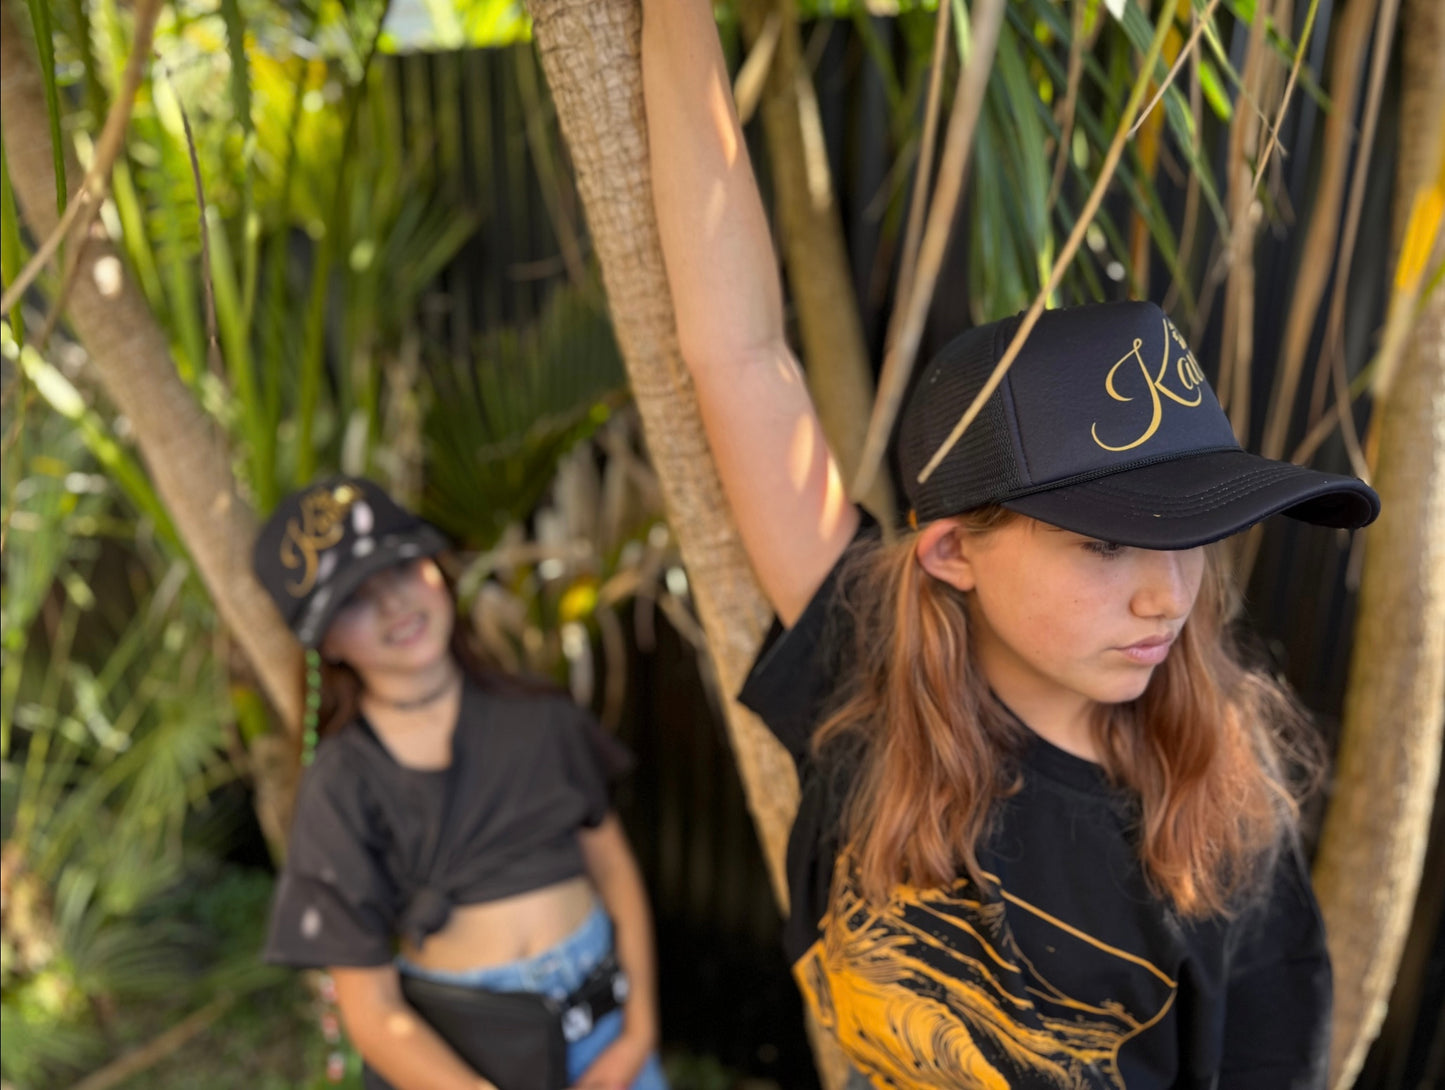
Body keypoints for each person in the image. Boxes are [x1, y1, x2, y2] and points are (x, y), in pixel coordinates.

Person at [640, 4, 1379, 1088]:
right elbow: (737, 354)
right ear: (950, 553)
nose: (1165, 600)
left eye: (1190, 538)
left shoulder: (1221, 815)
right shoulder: (864, 673)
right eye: (1102, 546)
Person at [254, 476, 668, 1090]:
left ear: (437, 570)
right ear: (328, 643)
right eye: (356, 600)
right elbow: (371, 1011)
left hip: (606, 1027)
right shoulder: (341, 785)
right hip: (463, 1055)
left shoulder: (542, 717)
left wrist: (638, 1034)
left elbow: (612, 870)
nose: (395, 606)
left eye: (400, 570)